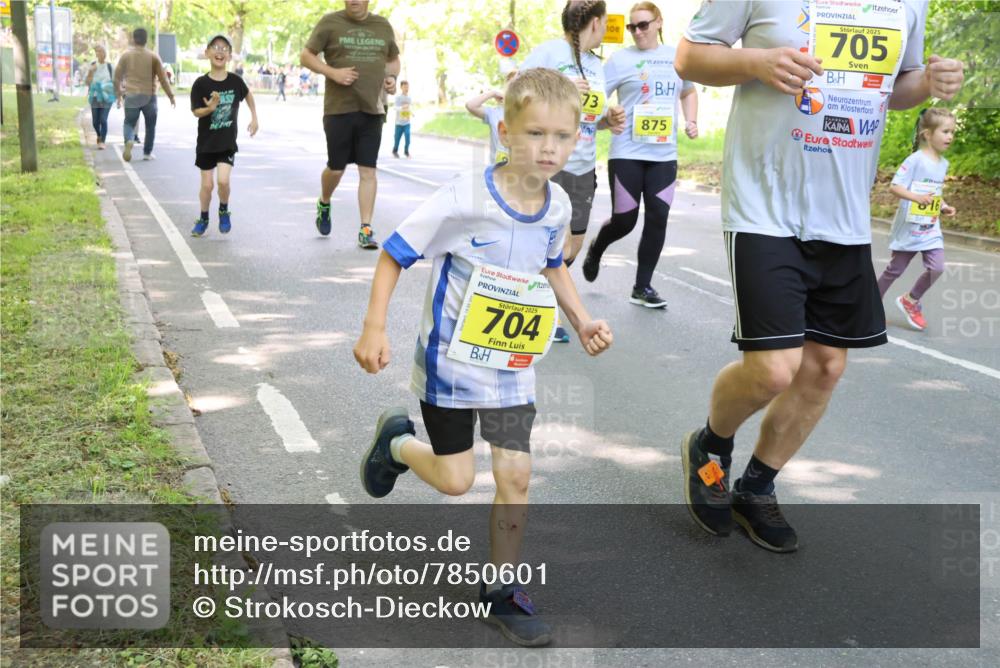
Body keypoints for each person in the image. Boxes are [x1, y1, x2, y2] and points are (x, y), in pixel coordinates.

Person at [675, 1, 963, 552]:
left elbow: (895, 86)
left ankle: (756, 488)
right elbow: (689, 58)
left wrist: (927, 80)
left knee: (826, 366)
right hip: (766, 204)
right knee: (773, 371)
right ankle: (709, 446)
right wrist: (757, 63)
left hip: (846, 214)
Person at [354, 68, 613, 647]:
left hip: (512, 366)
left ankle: (502, 591)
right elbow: (395, 254)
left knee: (515, 474)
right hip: (451, 363)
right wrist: (374, 327)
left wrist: (582, 318)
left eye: (562, 137)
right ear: (504, 130)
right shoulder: (466, 197)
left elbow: (553, 264)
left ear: (577, 139)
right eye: (534, 134)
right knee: (454, 479)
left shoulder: (556, 206)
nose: (548, 149)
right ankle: (396, 443)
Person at [582, 1, 699, 309]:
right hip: (627, 152)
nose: (637, 32)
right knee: (625, 220)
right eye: (632, 27)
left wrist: (691, 120)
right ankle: (597, 247)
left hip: (664, 154)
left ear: (659, 23)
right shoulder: (620, 60)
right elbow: (595, 98)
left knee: (658, 217)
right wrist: (609, 114)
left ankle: (642, 286)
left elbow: (688, 91)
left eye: (643, 25)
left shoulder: (677, 56)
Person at [521, 0, 626, 340]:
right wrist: (560, 90)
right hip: (548, 162)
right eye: (605, 20)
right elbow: (516, 93)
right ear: (595, 23)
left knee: (572, 246)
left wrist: (608, 119)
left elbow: (589, 115)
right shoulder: (549, 52)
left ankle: (531, 295)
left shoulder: (598, 65)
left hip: (582, 165)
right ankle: (539, 311)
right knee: (544, 240)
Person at [301, 0, 401, 250]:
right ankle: (325, 201)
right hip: (339, 109)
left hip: (373, 108)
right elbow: (306, 56)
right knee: (336, 169)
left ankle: (365, 228)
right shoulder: (330, 22)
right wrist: (332, 73)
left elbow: (393, 61)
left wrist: (391, 77)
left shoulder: (382, 25)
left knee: (368, 170)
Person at [877, 108, 957, 330]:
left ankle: (910, 300)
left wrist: (944, 207)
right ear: (928, 134)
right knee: (895, 269)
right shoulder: (915, 160)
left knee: (937, 267)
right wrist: (916, 198)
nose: (950, 136)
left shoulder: (943, 164)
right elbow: (895, 187)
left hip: (930, 227)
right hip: (909, 225)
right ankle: (871, 305)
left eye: (952, 132)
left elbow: (935, 193)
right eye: (945, 131)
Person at [189, 34, 259, 237]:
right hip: (206, 143)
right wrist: (209, 108)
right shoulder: (200, 83)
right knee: (207, 185)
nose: (219, 51)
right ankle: (203, 217)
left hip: (227, 142)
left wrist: (254, 118)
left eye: (224, 48)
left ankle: (223, 209)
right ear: (207, 52)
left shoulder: (236, 81)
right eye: (215, 47)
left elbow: (248, 96)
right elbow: (196, 112)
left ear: (229, 55)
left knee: (223, 181)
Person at [114, 27, 176, 162]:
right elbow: (163, 78)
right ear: (146, 40)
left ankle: (129, 140)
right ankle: (147, 153)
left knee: (129, 123)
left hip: (131, 95)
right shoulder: (153, 56)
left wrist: (118, 94)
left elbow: (116, 77)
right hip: (149, 96)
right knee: (150, 126)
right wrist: (171, 96)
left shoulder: (126, 55)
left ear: (133, 39)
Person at [86, 45, 115, 150]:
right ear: (96, 54)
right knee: (95, 122)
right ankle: (99, 135)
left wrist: (120, 97)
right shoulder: (92, 66)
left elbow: (115, 81)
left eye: (102, 51)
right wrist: (90, 72)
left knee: (103, 119)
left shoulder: (110, 67)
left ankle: (102, 141)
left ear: (105, 53)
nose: (100, 53)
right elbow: (87, 82)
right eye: (98, 52)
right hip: (95, 96)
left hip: (107, 97)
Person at [391, 80, 412, 158]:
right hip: (399, 123)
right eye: (404, 87)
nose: (406, 88)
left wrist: (411, 113)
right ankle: (395, 151)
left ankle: (406, 151)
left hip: (407, 122)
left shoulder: (409, 98)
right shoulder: (398, 97)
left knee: (407, 136)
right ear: (401, 87)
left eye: (407, 86)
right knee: (397, 139)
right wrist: (402, 107)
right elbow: (395, 107)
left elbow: (410, 107)